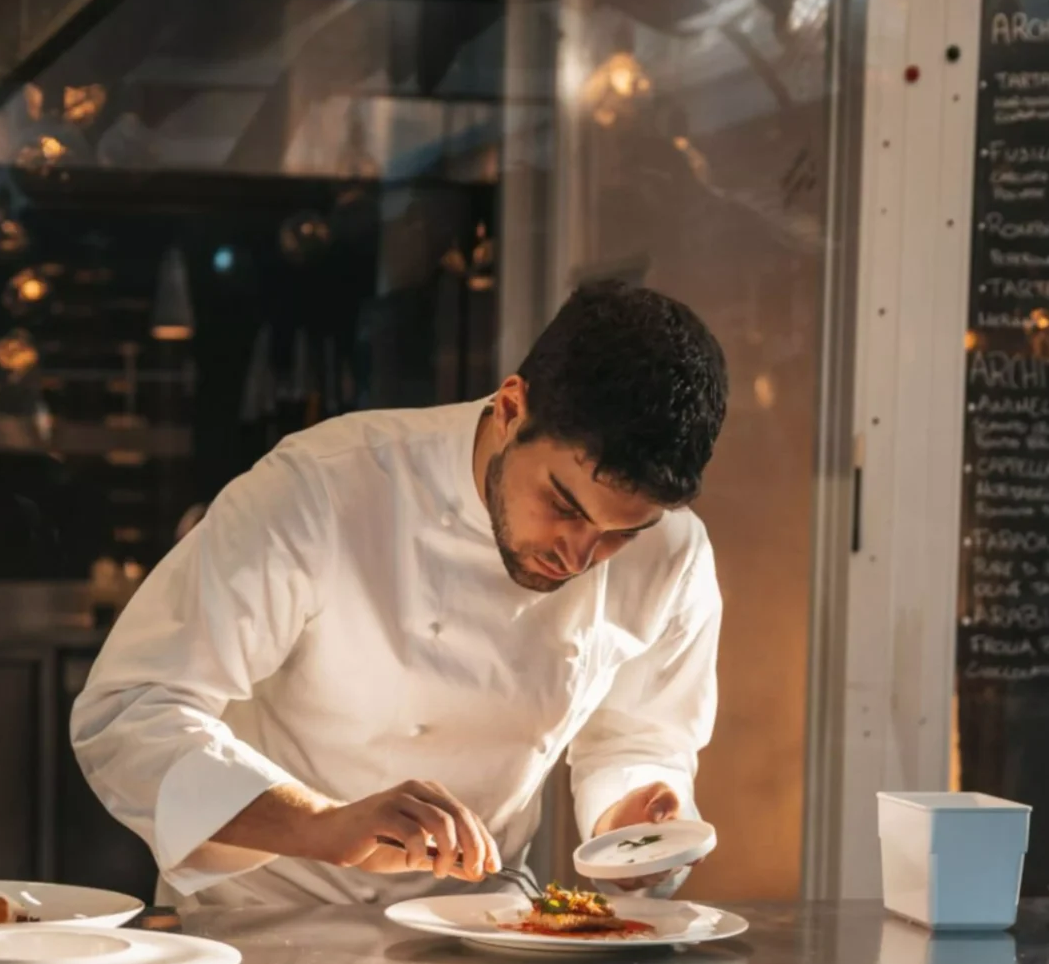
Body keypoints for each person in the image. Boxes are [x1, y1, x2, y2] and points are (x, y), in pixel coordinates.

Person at [73, 280, 727, 908]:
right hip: (266, 930)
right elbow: (131, 712)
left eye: (622, 534)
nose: (579, 556)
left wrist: (634, 813)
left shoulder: (674, 554)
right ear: (509, 409)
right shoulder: (324, 488)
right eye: (562, 505)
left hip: (484, 935)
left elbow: (638, 739)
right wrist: (322, 825)